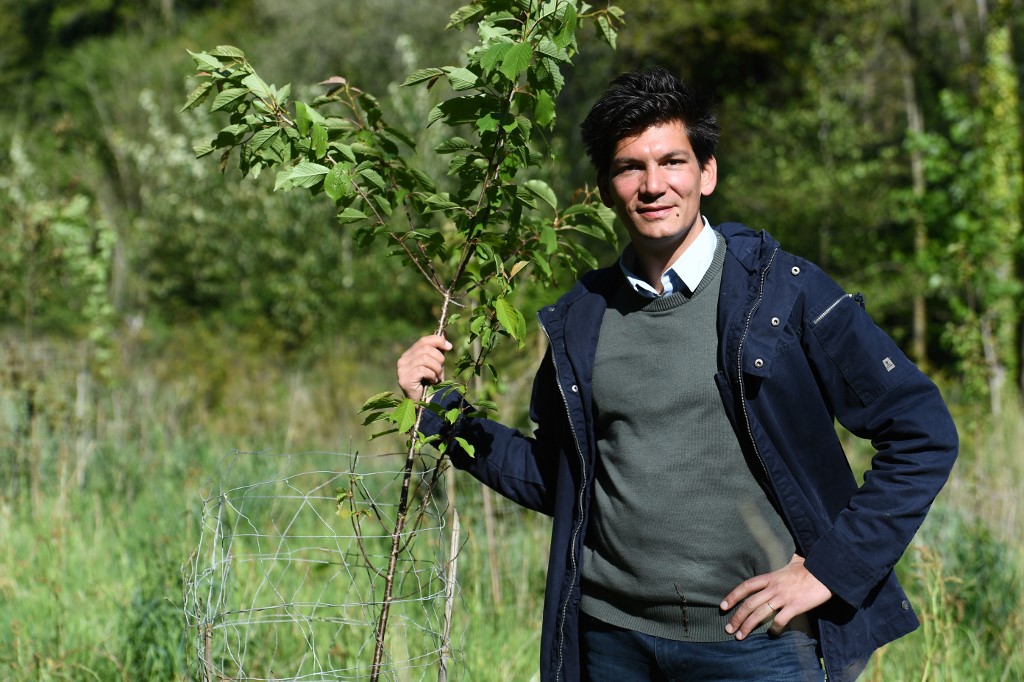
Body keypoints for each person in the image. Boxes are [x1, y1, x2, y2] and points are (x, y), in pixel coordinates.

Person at [396, 68, 957, 682]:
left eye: (672, 162)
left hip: (760, 647)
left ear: (706, 173)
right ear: (607, 188)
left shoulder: (784, 294)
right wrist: (442, 416)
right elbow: (559, 478)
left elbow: (922, 431)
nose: (653, 185)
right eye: (629, 167)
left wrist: (828, 570)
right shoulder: (582, 320)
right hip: (611, 642)